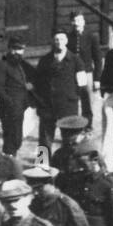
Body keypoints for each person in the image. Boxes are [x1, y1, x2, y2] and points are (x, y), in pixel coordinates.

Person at [34, 28, 84, 156]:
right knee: (44, 141)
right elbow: (37, 84)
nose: (59, 42)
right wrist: (40, 104)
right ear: (52, 41)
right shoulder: (44, 60)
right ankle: (41, 168)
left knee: (69, 140)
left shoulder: (76, 60)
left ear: (66, 41)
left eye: (62, 39)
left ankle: (69, 167)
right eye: (56, 39)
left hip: (68, 107)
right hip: (48, 107)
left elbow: (82, 85)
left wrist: (72, 98)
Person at [0, 37, 36, 156]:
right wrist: (10, 103)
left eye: (20, 49)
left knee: (17, 139)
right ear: (9, 49)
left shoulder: (21, 64)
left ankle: (10, 160)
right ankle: (9, 163)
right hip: (9, 109)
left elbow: (30, 79)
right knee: (11, 140)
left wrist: (29, 88)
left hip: (21, 107)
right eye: (14, 48)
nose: (16, 52)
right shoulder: (2, 65)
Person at [68, 12, 103, 128]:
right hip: (71, 73)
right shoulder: (69, 37)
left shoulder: (91, 36)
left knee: (86, 101)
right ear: (71, 22)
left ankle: (88, 127)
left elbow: (98, 59)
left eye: (79, 20)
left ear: (83, 22)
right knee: (71, 101)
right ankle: (73, 128)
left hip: (86, 73)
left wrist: (97, 79)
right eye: (74, 20)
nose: (77, 23)